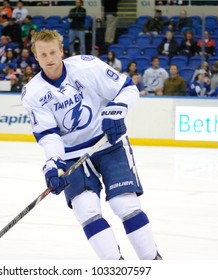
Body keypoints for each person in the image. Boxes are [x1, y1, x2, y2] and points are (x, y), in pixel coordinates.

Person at [21, 29, 162, 260]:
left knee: (124, 204)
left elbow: (128, 88)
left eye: (53, 52)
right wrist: (53, 163)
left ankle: (152, 261)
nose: (49, 58)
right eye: (43, 54)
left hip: (107, 142)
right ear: (35, 56)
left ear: (62, 51)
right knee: (86, 209)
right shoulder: (33, 93)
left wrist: (117, 111)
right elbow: (49, 135)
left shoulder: (87, 67)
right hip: (71, 155)